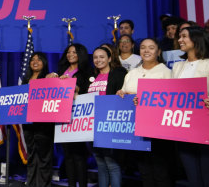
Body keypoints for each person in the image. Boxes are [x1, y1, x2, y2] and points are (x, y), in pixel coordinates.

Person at [117, 38, 172, 187]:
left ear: (158, 51)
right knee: (144, 170)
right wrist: (121, 93)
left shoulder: (166, 73)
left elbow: (172, 100)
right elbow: (124, 91)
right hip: (135, 128)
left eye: (151, 47)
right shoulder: (132, 73)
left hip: (158, 129)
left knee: (160, 170)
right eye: (143, 47)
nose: (146, 51)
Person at [47, 43, 91, 187]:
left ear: (81, 54)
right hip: (62, 117)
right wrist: (50, 79)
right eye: (68, 52)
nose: (70, 54)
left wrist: (77, 88)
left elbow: (88, 92)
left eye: (74, 52)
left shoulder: (86, 72)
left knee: (79, 155)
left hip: (78, 117)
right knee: (68, 155)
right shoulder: (61, 71)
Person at [172, 26, 209, 187]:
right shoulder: (177, 67)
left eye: (184, 36)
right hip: (183, 128)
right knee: (193, 179)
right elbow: (169, 94)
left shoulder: (208, 64)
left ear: (196, 39)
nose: (180, 40)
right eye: (179, 36)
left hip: (205, 127)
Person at [88, 46, 127, 187]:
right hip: (92, 125)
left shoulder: (118, 74)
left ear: (110, 58)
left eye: (102, 57)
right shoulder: (92, 77)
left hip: (109, 124)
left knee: (112, 164)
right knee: (100, 163)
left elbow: (124, 94)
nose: (98, 60)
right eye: (95, 57)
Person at [22, 52, 53, 187]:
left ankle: (43, 184)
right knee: (31, 156)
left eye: (39, 59)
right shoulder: (25, 80)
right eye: (32, 59)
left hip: (44, 124)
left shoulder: (48, 77)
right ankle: (31, 183)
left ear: (44, 62)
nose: (35, 62)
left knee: (43, 158)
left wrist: (54, 77)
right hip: (28, 124)